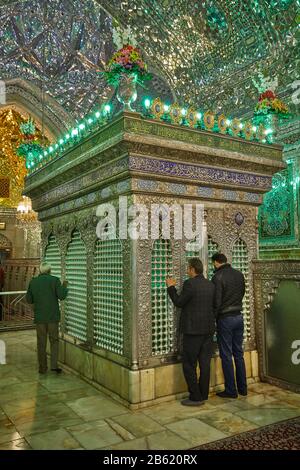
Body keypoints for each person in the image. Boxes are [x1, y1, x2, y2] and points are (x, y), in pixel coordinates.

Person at [166, 258, 215, 406]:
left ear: (193, 269)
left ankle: (195, 396)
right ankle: (203, 393)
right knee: (205, 363)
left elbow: (179, 302)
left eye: (188, 268)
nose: (187, 271)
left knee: (189, 363)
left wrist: (171, 287)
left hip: (193, 331)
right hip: (208, 330)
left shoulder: (190, 284)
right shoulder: (210, 284)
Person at [211, 253, 247, 398]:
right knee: (238, 354)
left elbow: (217, 302)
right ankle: (243, 388)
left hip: (225, 319)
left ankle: (231, 390)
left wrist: (213, 318)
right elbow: (242, 293)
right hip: (239, 317)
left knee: (226, 355)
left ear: (216, 262)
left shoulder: (217, 277)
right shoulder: (239, 274)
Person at [26, 262, 68, 374]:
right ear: (50, 270)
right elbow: (62, 296)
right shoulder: (54, 280)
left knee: (41, 343)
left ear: (40, 271)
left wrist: (36, 307)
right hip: (52, 317)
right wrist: (64, 286)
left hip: (40, 318)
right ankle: (54, 366)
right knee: (54, 341)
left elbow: (29, 299)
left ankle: (42, 368)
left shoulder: (33, 281)